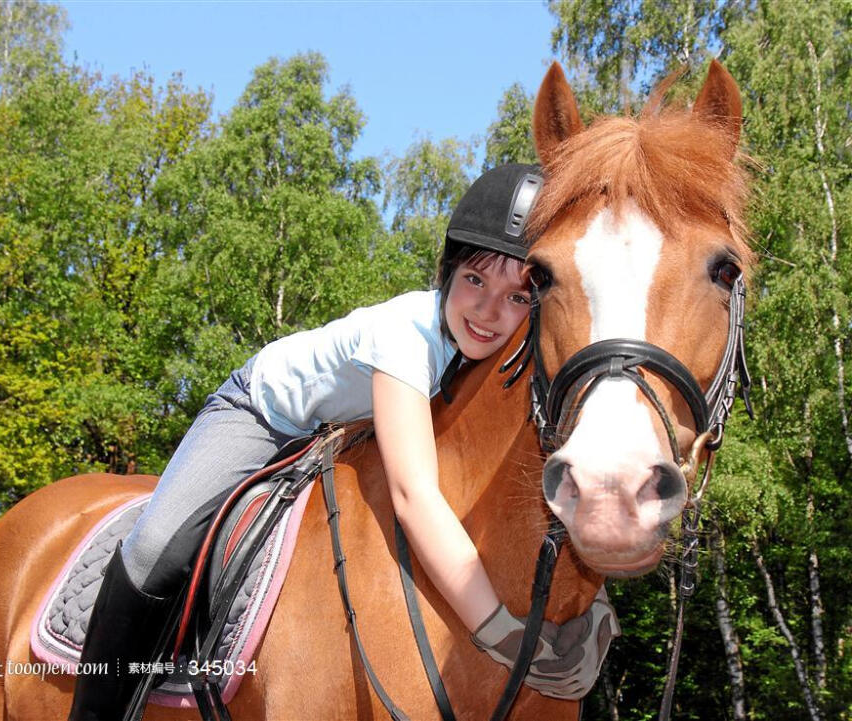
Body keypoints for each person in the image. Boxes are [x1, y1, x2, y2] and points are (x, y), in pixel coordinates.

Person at [68, 164, 620, 720]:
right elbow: (414, 497)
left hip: (343, 433)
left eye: (517, 297)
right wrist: (500, 633)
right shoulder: (406, 335)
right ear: (448, 270)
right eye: (475, 280)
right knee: (153, 547)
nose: (489, 311)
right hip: (263, 413)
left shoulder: (510, 356)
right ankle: (98, 708)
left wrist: (593, 603)